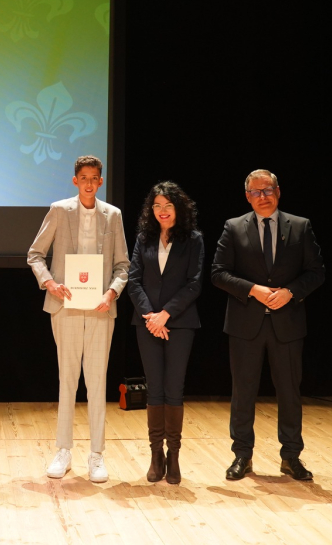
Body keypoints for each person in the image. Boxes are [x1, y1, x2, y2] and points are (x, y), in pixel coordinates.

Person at [211, 169, 325, 482]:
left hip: (287, 324)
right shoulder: (234, 227)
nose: (263, 197)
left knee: (289, 392)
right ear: (247, 197)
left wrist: (291, 292)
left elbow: (316, 272)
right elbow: (218, 273)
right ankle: (242, 455)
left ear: (278, 191)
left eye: (268, 190)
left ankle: (291, 456)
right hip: (245, 324)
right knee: (243, 392)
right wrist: (252, 289)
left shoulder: (300, 226)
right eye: (256, 192)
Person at [27, 155, 130, 482]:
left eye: (94, 178)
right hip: (66, 306)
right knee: (68, 379)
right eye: (83, 178)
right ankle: (63, 450)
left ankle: (97, 455)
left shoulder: (113, 215)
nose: (88, 183)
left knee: (97, 382)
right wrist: (50, 283)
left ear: (101, 181)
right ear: (75, 181)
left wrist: (111, 293)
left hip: (100, 308)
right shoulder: (59, 210)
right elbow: (35, 254)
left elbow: (123, 266)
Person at [126, 181, 203, 484]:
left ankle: (174, 455)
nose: (162, 211)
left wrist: (166, 314)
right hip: (147, 323)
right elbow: (134, 280)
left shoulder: (194, 239)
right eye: (157, 206)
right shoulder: (144, 238)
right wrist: (151, 316)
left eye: (168, 205)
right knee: (154, 389)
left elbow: (195, 283)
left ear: (178, 208)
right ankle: (156, 455)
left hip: (179, 323)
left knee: (174, 389)